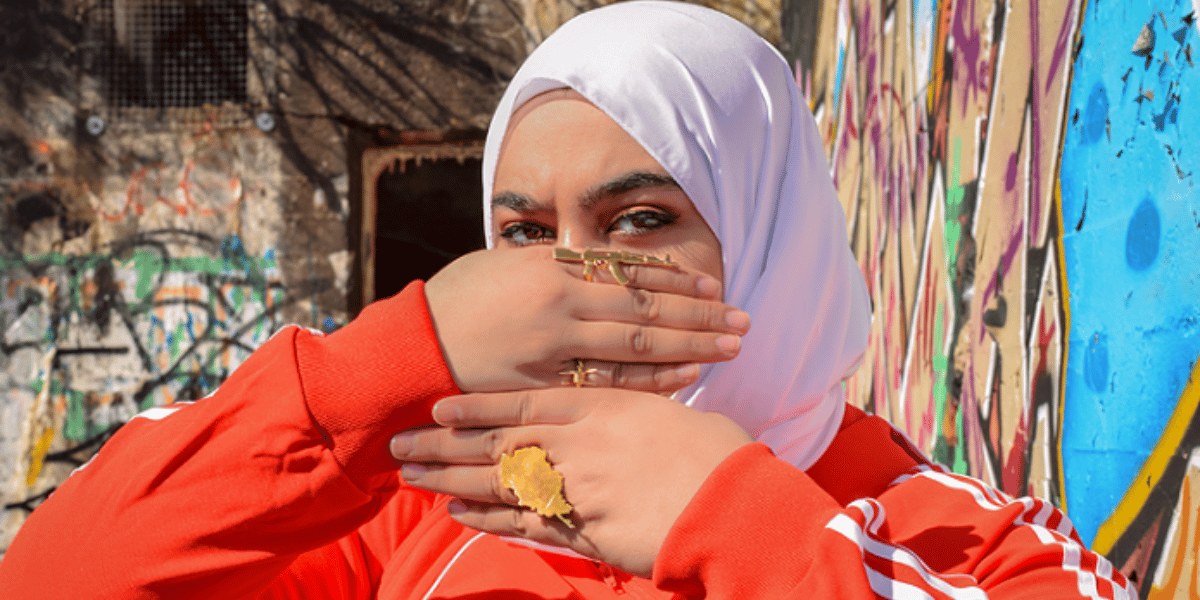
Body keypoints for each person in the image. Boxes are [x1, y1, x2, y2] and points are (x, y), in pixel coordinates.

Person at [0, 2, 1135, 599]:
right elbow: (55, 580)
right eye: (526, 237)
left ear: (769, 234)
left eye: (639, 220)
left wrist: (733, 519)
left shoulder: (974, 542)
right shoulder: (429, 509)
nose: (565, 285)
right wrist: (390, 361)